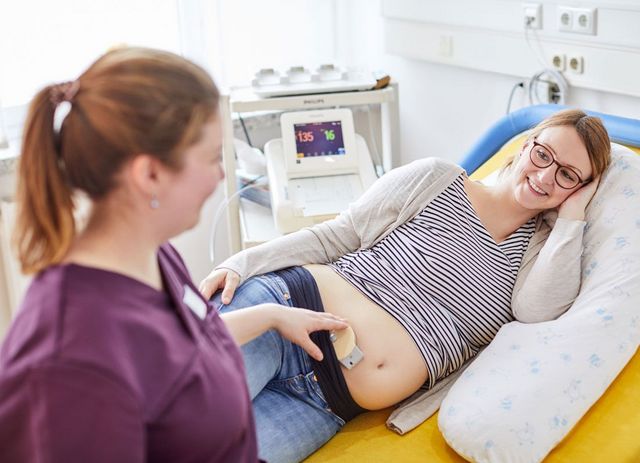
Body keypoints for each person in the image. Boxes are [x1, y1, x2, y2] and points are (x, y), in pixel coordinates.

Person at [199, 109, 612, 462]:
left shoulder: (538, 254)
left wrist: (573, 216)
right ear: (526, 145)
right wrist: (244, 261)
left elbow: (538, 312)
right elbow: (336, 235)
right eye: (543, 155)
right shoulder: (438, 179)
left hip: (323, 403)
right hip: (281, 316)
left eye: (567, 175)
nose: (544, 176)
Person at [0, 47, 347, 463]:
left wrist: (271, 315)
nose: (222, 174)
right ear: (149, 174)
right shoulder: (71, 361)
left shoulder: (153, 255)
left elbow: (183, 342)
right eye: (213, 157)